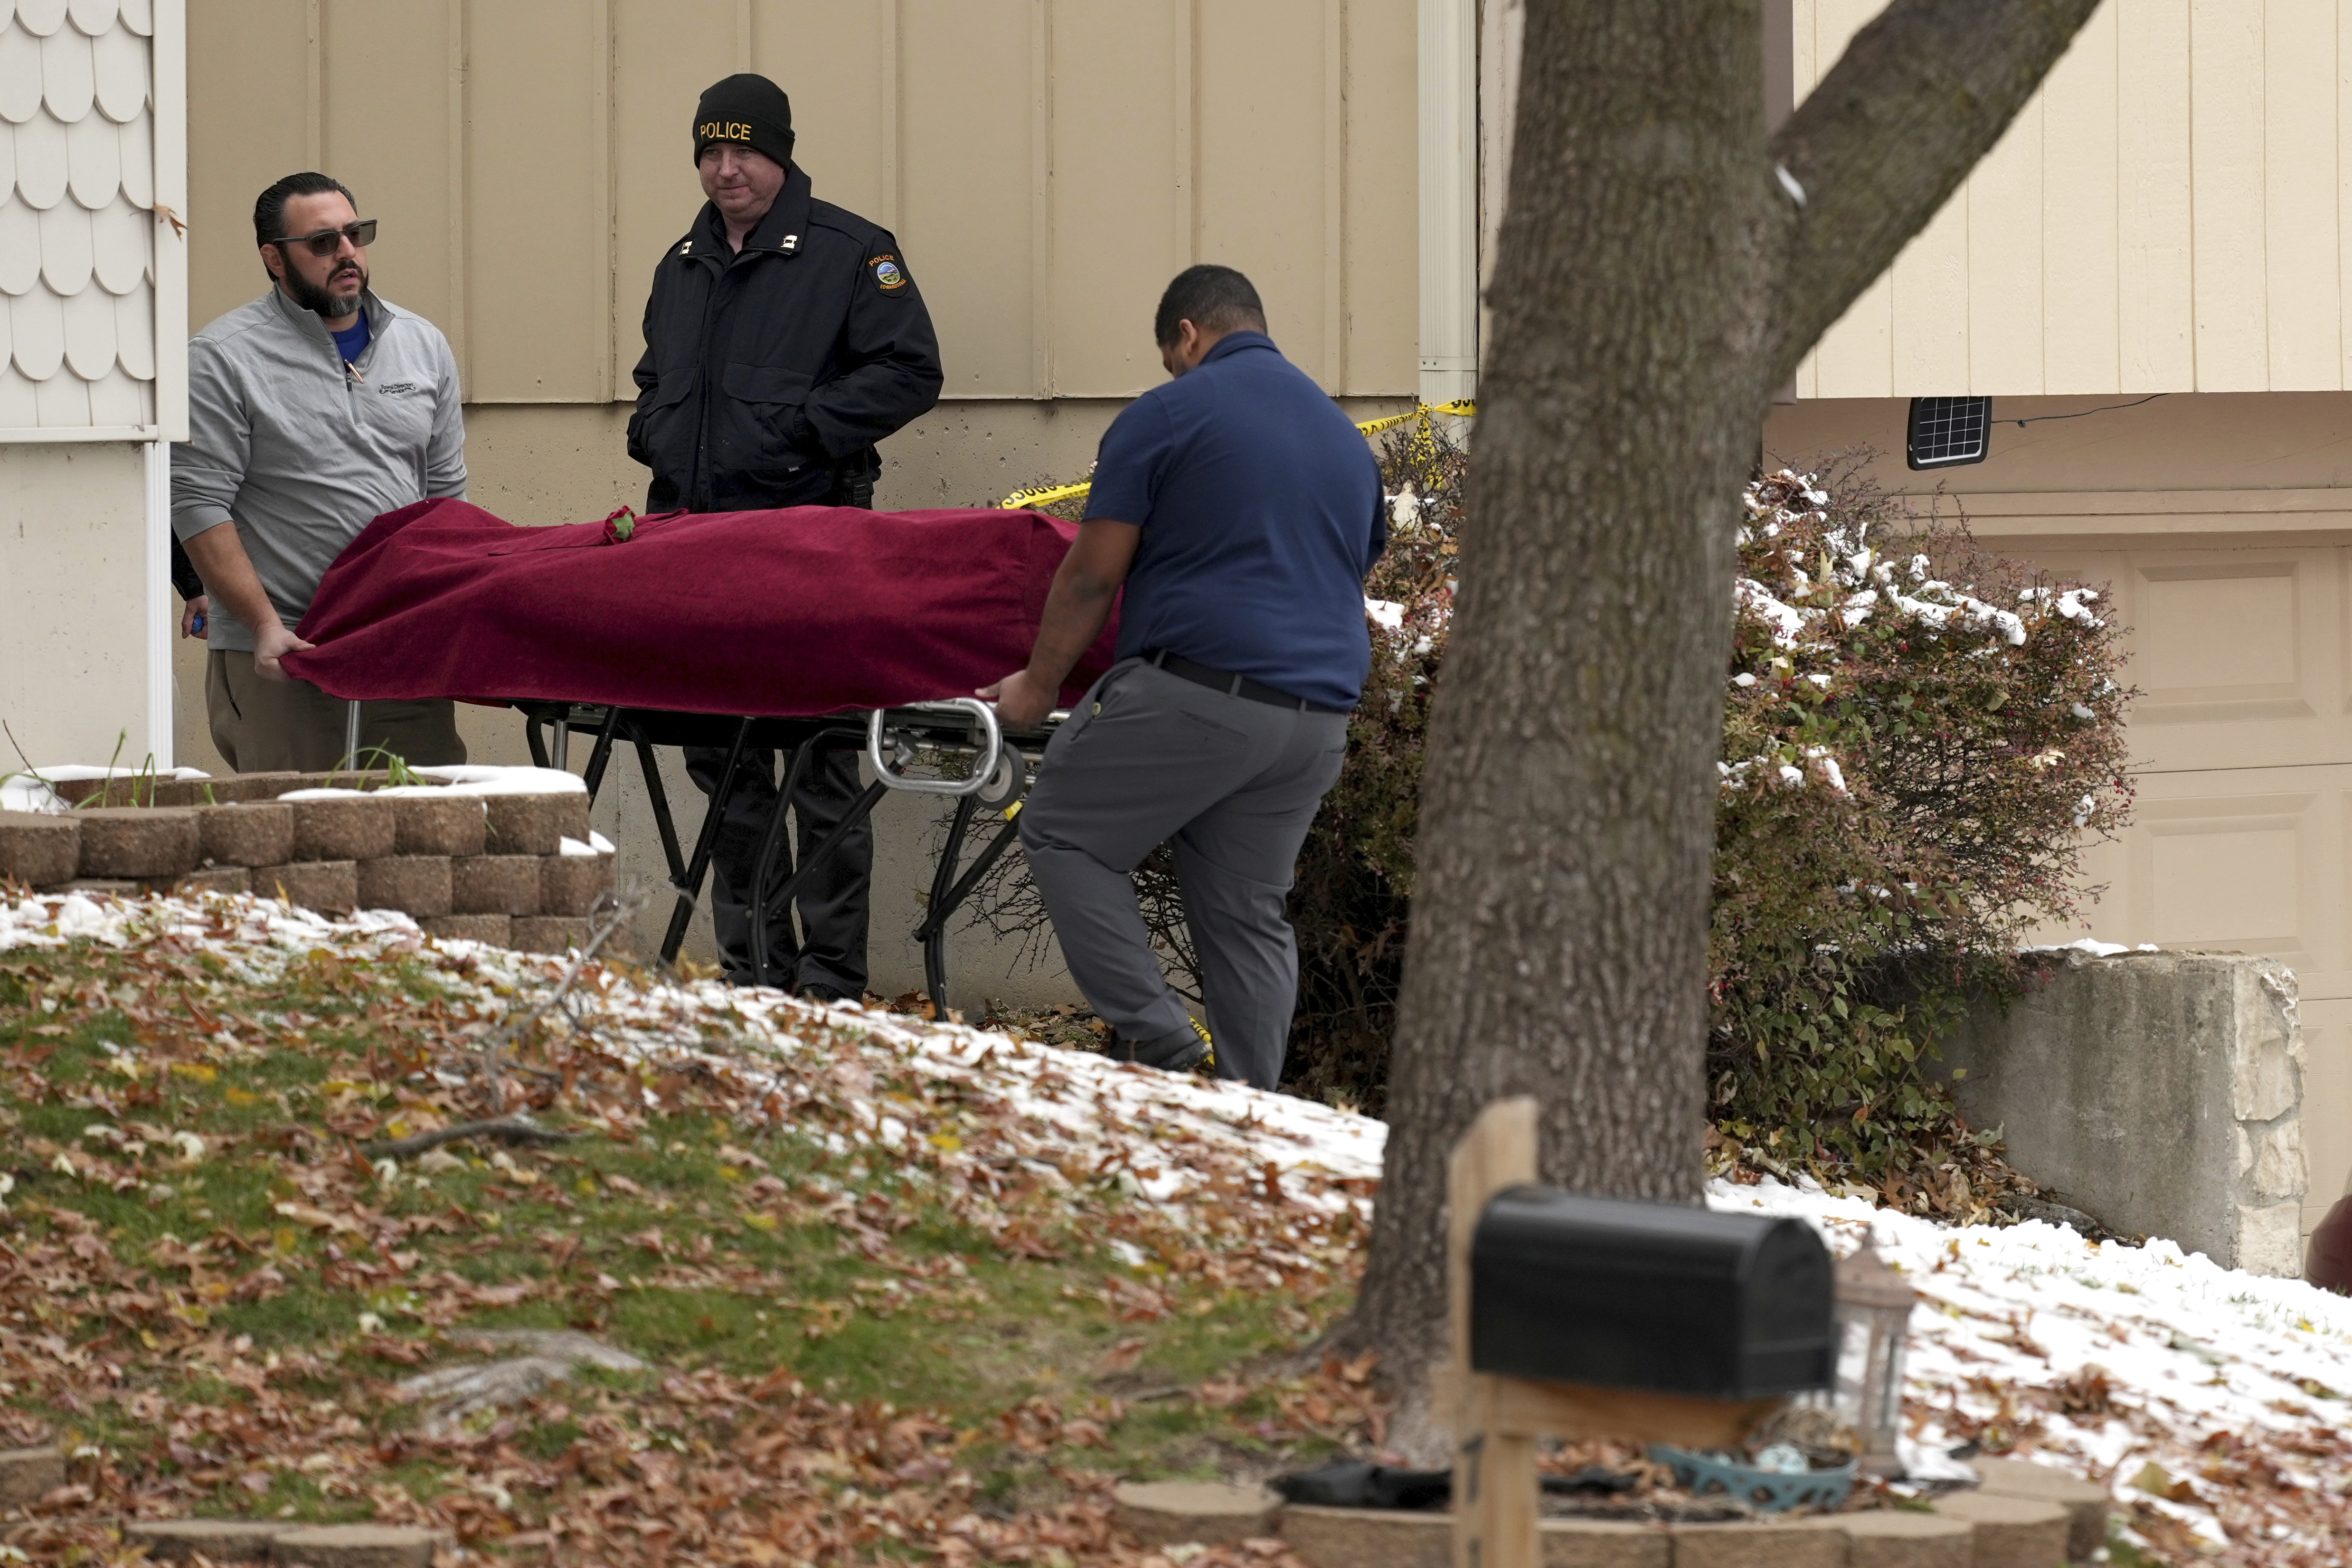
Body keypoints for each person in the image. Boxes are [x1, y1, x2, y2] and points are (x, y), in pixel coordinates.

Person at [982, 265, 1387, 1090]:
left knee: (1063, 829)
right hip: (1315, 719)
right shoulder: (1344, 439)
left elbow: (1094, 574)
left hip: (1202, 689)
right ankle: (1250, 1113)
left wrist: (1036, 682)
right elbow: (1354, 565)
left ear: (1187, 337)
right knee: (1244, 913)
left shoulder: (1166, 413)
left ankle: (1161, 1037)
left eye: (1173, 357)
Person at [628, 73, 944, 1000]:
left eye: (745, 150)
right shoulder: (680, 265)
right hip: (694, 556)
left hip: (810, 553)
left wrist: (800, 431)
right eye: (710, 151)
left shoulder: (849, 252)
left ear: (780, 153)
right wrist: (651, 431)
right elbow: (655, 381)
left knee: (818, 769)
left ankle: (831, 982)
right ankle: (751, 972)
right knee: (726, 774)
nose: (727, 169)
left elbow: (910, 370)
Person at [172, 172, 470, 773]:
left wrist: (443, 613)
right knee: (298, 845)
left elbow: (446, 497)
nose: (347, 254)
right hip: (285, 655)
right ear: (274, 259)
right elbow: (200, 505)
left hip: (399, 647)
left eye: (356, 235)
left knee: (427, 834)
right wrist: (262, 625)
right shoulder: (223, 357)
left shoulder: (422, 344)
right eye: (323, 242)